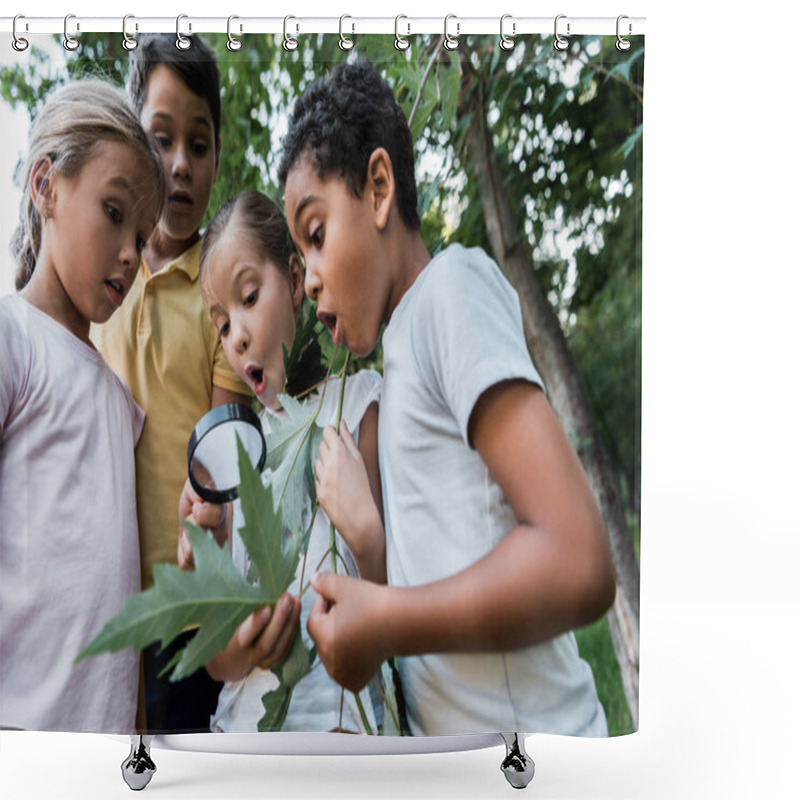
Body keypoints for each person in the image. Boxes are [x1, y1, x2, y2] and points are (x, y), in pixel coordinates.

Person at [278, 60, 617, 737]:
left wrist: (385, 624)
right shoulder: (396, 366)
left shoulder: (449, 291)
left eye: (315, 237)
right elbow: (430, 583)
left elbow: (578, 558)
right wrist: (365, 559)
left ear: (378, 188)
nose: (309, 280)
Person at [177, 191, 385, 733]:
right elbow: (221, 664)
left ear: (295, 281)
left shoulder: (360, 406)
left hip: (345, 733)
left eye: (249, 297)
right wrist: (245, 639)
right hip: (249, 740)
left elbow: (403, 599)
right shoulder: (232, 460)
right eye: (222, 325)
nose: (237, 336)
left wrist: (366, 536)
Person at [92, 33, 252, 733]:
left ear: (217, 154)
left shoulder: (224, 295)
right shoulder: (99, 282)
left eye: (199, 143)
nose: (180, 165)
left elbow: (226, 461)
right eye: (161, 140)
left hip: (193, 613)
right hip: (100, 604)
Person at [0, 79, 163, 732]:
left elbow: (121, 603)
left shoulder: (123, 406)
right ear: (46, 185)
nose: (131, 252)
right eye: (116, 213)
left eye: (144, 237)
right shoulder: (13, 341)